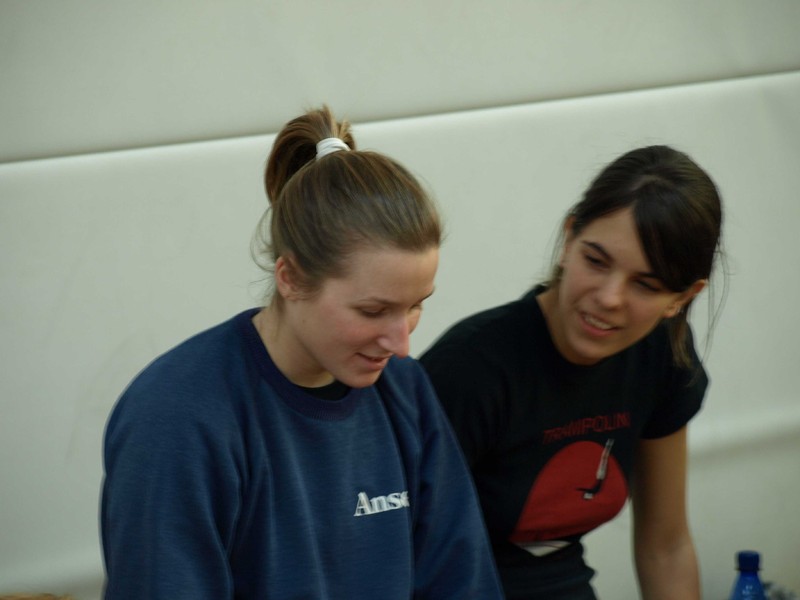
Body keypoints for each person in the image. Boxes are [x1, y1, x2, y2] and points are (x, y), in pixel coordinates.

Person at [101, 106, 503, 599]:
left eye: (416, 306)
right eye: (373, 311)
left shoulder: (404, 389)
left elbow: (461, 582)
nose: (401, 343)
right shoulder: (179, 418)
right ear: (290, 278)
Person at [420, 145, 724, 600]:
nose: (609, 298)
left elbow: (666, 547)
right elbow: (393, 553)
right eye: (596, 262)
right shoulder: (471, 368)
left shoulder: (662, 358)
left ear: (682, 298)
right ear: (568, 240)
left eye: (645, 285)